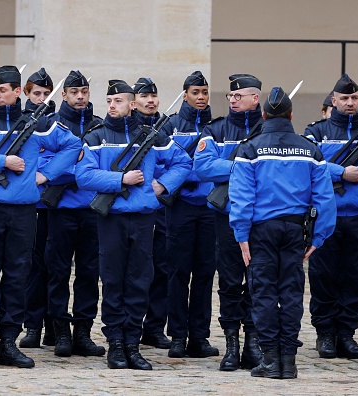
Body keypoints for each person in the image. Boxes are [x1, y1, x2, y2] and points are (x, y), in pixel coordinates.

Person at [0, 65, 81, 369]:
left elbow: (73, 144)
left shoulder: (36, 123)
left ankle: (9, 342)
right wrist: (3, 161)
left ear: (16, 91)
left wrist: (46, 175)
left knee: (16, 276)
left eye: (3, 90)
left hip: (23, 211)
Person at [76, 79, 191, 370]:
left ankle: (132, 343)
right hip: (110, 218)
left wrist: (162, 186)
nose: (111, 106)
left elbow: (183, 162)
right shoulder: (96, 137)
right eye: (109, 101)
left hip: (142, 218)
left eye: (118, 101)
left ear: (132, 104)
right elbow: (84, 176)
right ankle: (115, 343)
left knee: (139, 281)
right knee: (113, 281)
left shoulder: (150, 137)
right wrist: (120, 180)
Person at [229, 86, 336, 379]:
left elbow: (241, 196)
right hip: (294, 230)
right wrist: (319, 236)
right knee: (290, 293)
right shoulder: (309, 149)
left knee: (263, 293)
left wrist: (241, 235)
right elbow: (324, 198)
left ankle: (269, 360)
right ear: (291, 115)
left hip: (261, 231)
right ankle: (288, 361)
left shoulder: (250, 148)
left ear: (263, 115)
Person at [304, 74, 358, 360]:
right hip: (327, 216)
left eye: (354, 98)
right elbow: (308, 170)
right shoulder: (316, 133)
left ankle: (347, 333)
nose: (349, 103)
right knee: (324, 275)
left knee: (354, 277)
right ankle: (325, 334)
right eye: (344, 98)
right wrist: (341, 173)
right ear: (333, 101)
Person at [193, 73, 263, 371]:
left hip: (261, 217)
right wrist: (243, 165)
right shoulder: (215, 129)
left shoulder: (268, 130)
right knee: (231, 282)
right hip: (227, 216)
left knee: (258, 282)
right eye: (230, 97)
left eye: (239, 96)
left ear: (255, 98)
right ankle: (232, 344)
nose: (232, 100)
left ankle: (253, 343)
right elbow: (203, 167)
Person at [39, 70, 105, 357]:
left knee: (90, 273)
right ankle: (60, 332)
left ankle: (83, 331)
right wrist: (81, 169)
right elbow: (43, 165)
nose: (80, 97)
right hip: (62, 210)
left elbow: (105, 168)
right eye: (74, 92)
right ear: (63, 95)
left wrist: (79, 169)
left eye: (85, 92)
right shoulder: (50, 126)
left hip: (92, 211)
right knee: (58, 272)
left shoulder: (100, 127)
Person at [160, 71, 218, 359]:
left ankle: (199, 336)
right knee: (178, 272)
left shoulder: (218, 127)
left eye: (205, 92)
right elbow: (162, 164)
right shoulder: (171, 126)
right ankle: (178, 336)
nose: (201, 97)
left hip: (209, 207)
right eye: (195, 92)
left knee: (205, 273)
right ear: (185, 95)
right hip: (181, 206)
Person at [131, 77, 171, 350]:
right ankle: (129, 325)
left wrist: (165, 183)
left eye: (154, 96)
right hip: (133, 205)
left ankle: (155, 326)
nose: (151, 101)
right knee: (135, 269)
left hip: (160, 206)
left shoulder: (165, 128)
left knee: (162, 269)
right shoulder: (127, 127)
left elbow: (180, 161)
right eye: (144, 96)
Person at [18, 67, 56, 350]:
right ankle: (32, 326)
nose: (41, 99)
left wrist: (44, 167)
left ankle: (56, 327)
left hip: (56, 204)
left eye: (45, 94)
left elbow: (69, 156)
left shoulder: (57, 124)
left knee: (57, 269)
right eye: (36, 94)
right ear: (26, 94)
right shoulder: (18, 121)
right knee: (32, 269)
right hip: (30, 204)